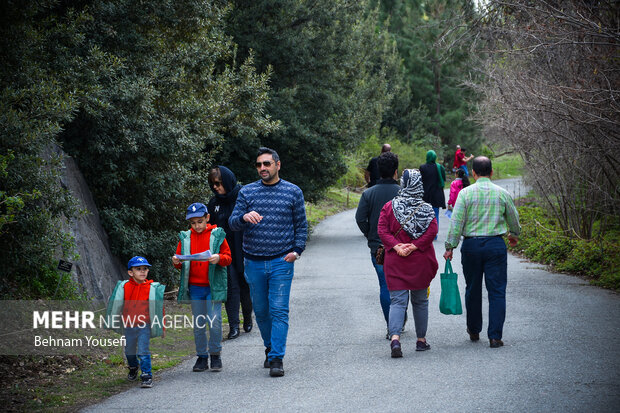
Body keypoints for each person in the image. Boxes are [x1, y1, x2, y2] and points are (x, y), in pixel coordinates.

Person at [228, 147, 308, 377]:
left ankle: (276, 359)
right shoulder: (247, 192)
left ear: (277, 165)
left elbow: (301, 225)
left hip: (281, 260)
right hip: (252, 262)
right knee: (261, 312)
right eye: (259, 165)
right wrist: (243, 217)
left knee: (279, 310)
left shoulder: (293, 192)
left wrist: (297, 251)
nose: (262, 168)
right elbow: (232, 222)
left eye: (267, 164)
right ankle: (270, 347)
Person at [443, 156, 521, 348]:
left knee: (473, 288)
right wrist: (514, 234)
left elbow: (457, 222)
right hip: (495, 245)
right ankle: (495, 336)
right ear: (492, 172)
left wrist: (450, 247)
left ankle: (474, 329)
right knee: (497, 290)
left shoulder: (465, 194)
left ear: (474, 173)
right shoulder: (502, 193)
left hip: (471, 247)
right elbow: (513, 217)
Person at [378, 169, 438, 358]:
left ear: (404, 184)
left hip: (397, 260)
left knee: (397, 301)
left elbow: (382, 230)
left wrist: (397, 247)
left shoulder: (389, 206)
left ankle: (395, 339)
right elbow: (432, 231)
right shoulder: (427, 209)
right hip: (420, 261)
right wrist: (414, 246)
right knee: (420, 301)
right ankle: (421, 341)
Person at [172, 202, 232, 372]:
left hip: (213, 288)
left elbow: (228, 258)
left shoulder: (217, 235)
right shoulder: (185, 237)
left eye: (200, 221)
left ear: (207, 218)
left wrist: (218, 258)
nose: (197, 226)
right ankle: (201, 357)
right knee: (199, 324)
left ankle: (215, 355)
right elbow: (181, 262)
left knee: (214, 322)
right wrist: (176, 261)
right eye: (193, 223)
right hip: (195, 287)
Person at [355, 151, 400, 338]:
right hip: (402, 247)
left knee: (384, 286)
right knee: (400, 286)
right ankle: (399, 320)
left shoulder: (369, 194)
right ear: (396, 172)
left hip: (378, 248)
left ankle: (391, 326)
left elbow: (360, 219)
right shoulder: (402, 192)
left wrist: (370, 234)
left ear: (378, 171)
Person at [208, 166, 253, 340]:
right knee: (230, 288)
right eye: (212, 185)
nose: (215, 188)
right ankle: (234, 326)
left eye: (218, 184)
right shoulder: (214, 203)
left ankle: (248, 317)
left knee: (244, 287)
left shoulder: (244, 197)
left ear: (227, 181)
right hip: (224, 253)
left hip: (244, 249)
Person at [106, 256, 165, 388]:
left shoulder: (151, 289)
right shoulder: (125, 287)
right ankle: (133, 367)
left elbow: (159, 310)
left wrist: (162, 328)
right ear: (130, 272)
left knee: (143, 351)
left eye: (145, 269)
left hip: (144, 325)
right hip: (129, 325)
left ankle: (146, 375)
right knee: (129, 351)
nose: (142, 271)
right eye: (138, 269)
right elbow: (117, 305)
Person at [419, 150, 446, 235]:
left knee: (425, 215)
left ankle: (426, 233)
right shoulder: (440, 167)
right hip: (436, 195)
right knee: (435, 214)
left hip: (425, 195)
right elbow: (444, 179)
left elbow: (420, 180)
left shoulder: (422, 167)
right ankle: (434, 234)